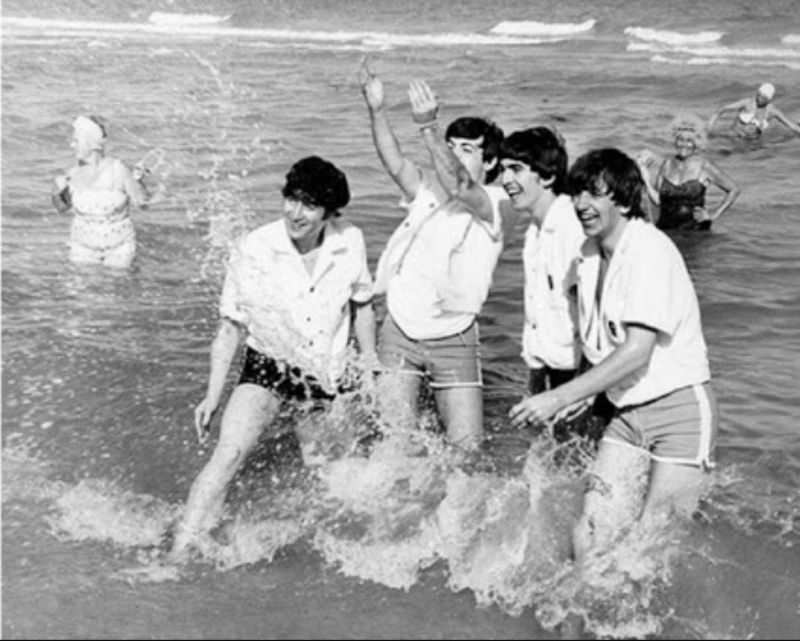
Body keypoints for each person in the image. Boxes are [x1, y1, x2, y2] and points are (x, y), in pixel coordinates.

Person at [509, 148, 719, 566]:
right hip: (625, 413)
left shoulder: (650, 251)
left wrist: (559, 396)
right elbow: (596, 342)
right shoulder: (587, 255)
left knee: (657, 540)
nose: (583, 205)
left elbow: (637, 351)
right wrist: (589, 393)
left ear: (623, 200)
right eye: (578, 194)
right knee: (591, 527)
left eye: (595, 194)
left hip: (679, 412)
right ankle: (581, 617)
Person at [169, 156, 377, 557]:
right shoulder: (256, 247)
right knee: (229, 453)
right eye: (292, 199)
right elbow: (230, 328)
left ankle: (314, 548)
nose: (296, 213)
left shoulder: (350, 240)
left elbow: (363, 305)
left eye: (309, 205)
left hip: (323, 373)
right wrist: (212, 395)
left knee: (329, 473)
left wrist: (368, 364)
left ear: (329, 213)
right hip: (268, 364)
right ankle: (180, 549)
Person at [359, 60, 508, 451]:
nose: (454, 155)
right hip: (400, 330)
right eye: (452, 147)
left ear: (490, 162)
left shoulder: (492, 202)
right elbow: (393, 160)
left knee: (467, 450)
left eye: (467, 150)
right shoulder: (426, 191)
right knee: (394, 446)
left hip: (454, 335)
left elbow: (461, 185)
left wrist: (429, 128)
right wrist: (377, 109)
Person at [51, 115, 150, 269]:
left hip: (119, 248)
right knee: (81, 292)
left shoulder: (119, 171)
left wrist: (138, 181)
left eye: (76, 141)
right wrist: (57, 192)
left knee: (116, 288)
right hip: (82, 247)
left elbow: (143, 203)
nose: (72, 145)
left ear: (90, 143)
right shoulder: (72, 174)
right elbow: (61, 208)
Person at [637, 113, 740, 231]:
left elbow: (734, 190)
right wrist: (645, 177)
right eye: (680, 139)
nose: (684, 145)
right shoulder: (667, 164)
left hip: (695, 233)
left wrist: (713, 214)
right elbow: (658, 201)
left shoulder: (704, 166)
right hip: (667, 230)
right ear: (675, 140)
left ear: (697, 143)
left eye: (689, 141)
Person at [707, 82, 800, 139]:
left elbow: (791, 125)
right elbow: (722, 110)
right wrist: (711, 123)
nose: (759, 98)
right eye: (758, 94)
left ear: (769, 99)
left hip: (753, 143)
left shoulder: (772, 111)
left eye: (763, 97)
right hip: (732, 136)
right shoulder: (747, 103)